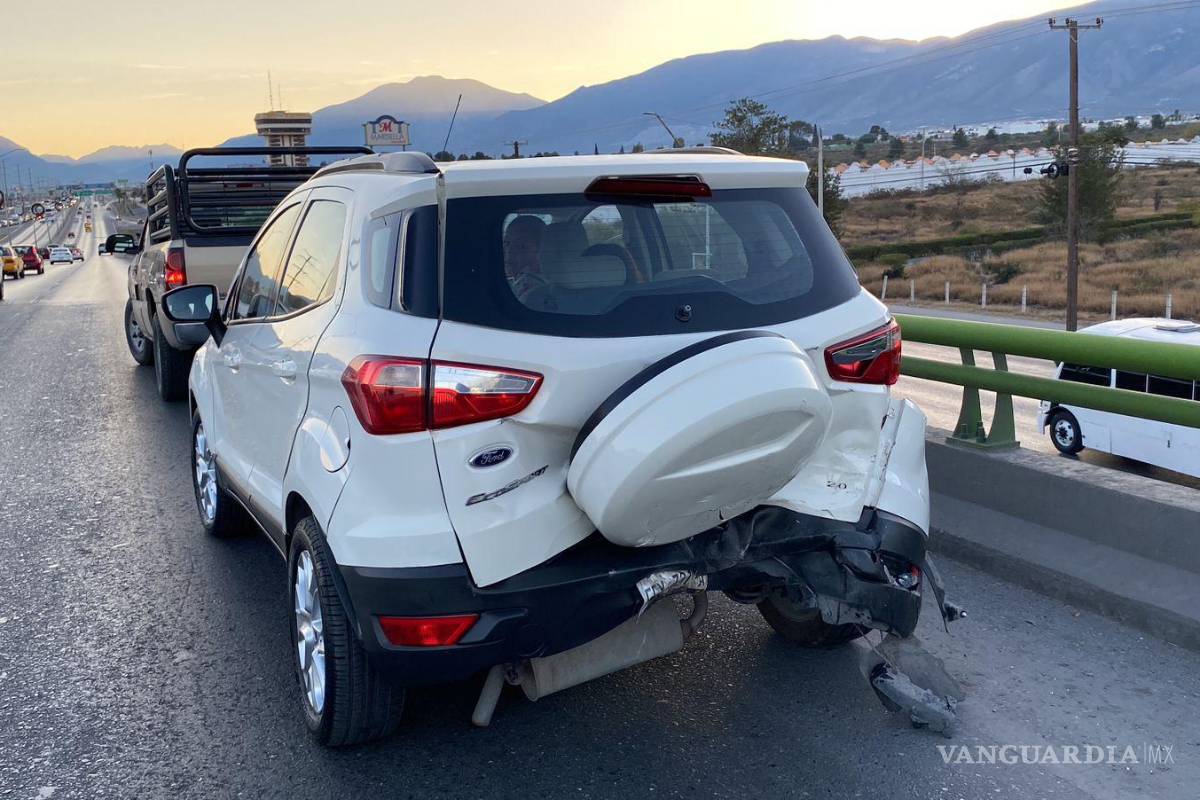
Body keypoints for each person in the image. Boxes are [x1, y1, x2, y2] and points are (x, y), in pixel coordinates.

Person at [503, 215, 547, 301]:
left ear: (542, 250)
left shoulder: (531, 293)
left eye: (521, 246)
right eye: (506, 243)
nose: (509, 252)